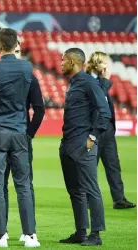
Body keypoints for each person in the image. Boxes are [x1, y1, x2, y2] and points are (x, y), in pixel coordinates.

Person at [0, 28, 40, 248]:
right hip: (20, 132)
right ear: (17, 45)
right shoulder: (27, 68)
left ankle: (1, 237)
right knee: (23, 185)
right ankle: (30, 236)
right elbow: (33, 101)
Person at [59, 48, 111, 246]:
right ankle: (81, 232)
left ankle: (96, 234)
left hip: (83, 145)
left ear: (72, 62)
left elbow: (104, 112)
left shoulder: (89, 82)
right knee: (75, 191)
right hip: (68, 144)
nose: (61, 63)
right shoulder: (73, 83)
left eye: (63, 60)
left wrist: (93, 137)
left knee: (91, 189)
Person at [86, 51, 136, 209]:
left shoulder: (101, 82)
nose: (108, 66)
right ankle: (86, 199)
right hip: (94, 130)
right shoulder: (89, 81)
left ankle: (119, 198)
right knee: (90, 167)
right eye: (105, 63)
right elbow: (98, 97)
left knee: (113, 165)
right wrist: (105, 79)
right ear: (98, 64)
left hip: (107, 130)